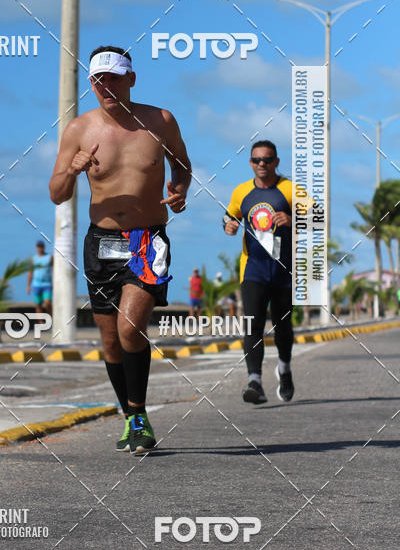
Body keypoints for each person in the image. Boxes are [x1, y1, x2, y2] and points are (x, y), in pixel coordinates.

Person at [49, 46, 191, 453]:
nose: (106, 86)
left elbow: (182, 164)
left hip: (148, 239)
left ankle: (140, 413)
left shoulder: (160, 121)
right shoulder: (79, 129)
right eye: (98, 80)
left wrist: (179, 190)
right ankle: (131, 416)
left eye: (113, 77)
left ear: (131, 78)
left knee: (131, 327)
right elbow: (57, 193)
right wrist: (73, 171)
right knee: (110, 340)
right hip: (103, 241)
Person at [223, 140, 295, 404]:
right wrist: (228, 226)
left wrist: (293, 220)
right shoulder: (242, 192)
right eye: (256, 160)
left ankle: (284, 370)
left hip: (283, 271)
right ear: (251, 163)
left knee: (283, 327)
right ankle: (255, 381)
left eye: (267, 160)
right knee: (252, 325)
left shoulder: (289, 189)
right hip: (252, 270)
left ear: (276, 161)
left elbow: (318, 215)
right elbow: (229, 216)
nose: (261, 164)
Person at [26, 240, 53, 316]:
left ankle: (49, 318)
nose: (40, 248)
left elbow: (54, 270)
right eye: (38, 246)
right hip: (36, 284)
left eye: (41, 246)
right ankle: (40, 322)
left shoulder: (49, 257)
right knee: (38, 304)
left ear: (44, 247)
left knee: (47, 303)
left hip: (47, 284)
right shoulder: (33, 259)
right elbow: (30, 272)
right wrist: (28, 285)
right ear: (36, 247)